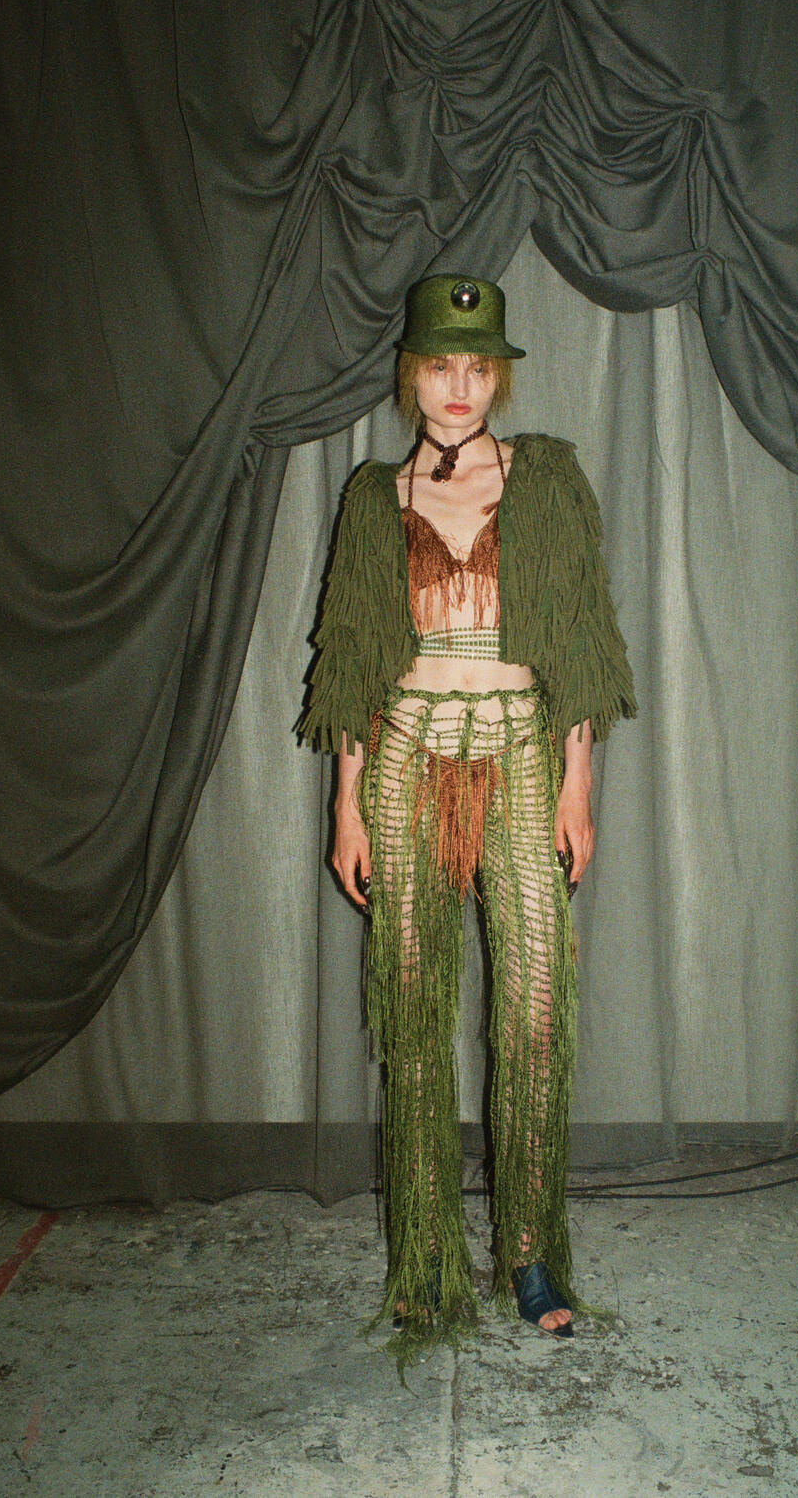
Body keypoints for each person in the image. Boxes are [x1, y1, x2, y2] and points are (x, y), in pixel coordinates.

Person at [300, 274, 636, 1357]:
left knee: (534, 1007)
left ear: (497, 377)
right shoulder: (373, 497)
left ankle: (528, 1251)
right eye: (441, 364)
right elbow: (351, 662)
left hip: (522, 756)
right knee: (411, 1008)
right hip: (402, 759)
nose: (458, 385)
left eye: (477, 366)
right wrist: (346, 807)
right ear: (412, 374)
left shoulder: (545, 479)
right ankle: (425, 1260)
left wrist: (577, 786)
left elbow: (580, 640)